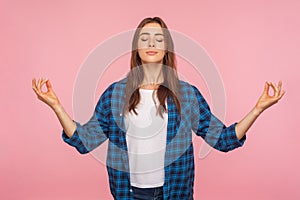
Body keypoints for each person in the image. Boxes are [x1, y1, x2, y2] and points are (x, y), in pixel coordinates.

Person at [32, 17, 285, 200]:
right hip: (128, 193)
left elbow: (223, 139)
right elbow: (85, 141)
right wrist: (56, 105)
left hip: (174, 193)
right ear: (137, 48)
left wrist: (258, 108)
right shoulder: (115, 94)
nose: (151, 42)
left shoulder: (186, 95)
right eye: (144, 38)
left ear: (166, 48)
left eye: (158, 38)